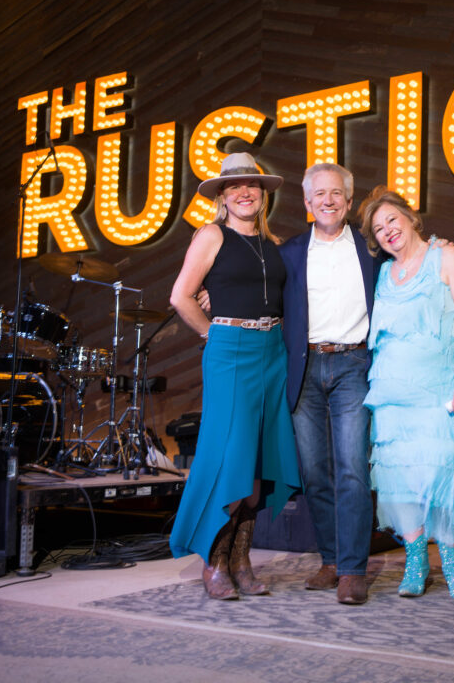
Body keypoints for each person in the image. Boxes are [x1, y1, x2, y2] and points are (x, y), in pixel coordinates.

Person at [168, 152, 302, 600]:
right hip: (231, 349)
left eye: (253, 185)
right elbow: (181, 296)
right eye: (235, 186)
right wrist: (213, 334)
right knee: (231, 456)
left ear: (264, 195)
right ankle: (214, 558)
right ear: (223, 196)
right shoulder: (211, 234)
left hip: (273, 352)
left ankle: (242, 559)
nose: (245, 192)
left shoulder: (273, 244)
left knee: (260, 460)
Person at [357, 186, 454, 602]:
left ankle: (451, 562)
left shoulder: (446, 257)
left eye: (392, 220)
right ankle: (416, 560)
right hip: (391, 395)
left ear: (411, 217)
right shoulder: (382, 273)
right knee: (399, 481)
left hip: (439, 392)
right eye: (378, 229)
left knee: (442, 474)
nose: (387, 231)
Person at [278, 162, 384, 605]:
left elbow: (414, 254)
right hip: (304, 368)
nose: (327, 200)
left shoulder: (371, 247)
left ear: (348, 200)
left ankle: (353, 570)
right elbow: (258, 291)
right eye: (319, 194)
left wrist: (440, 246)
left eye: (336, 193)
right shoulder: (289, 253)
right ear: (306, 203)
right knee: (315, 474)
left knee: (351, 470)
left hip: (352, 365)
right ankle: (331, 559)